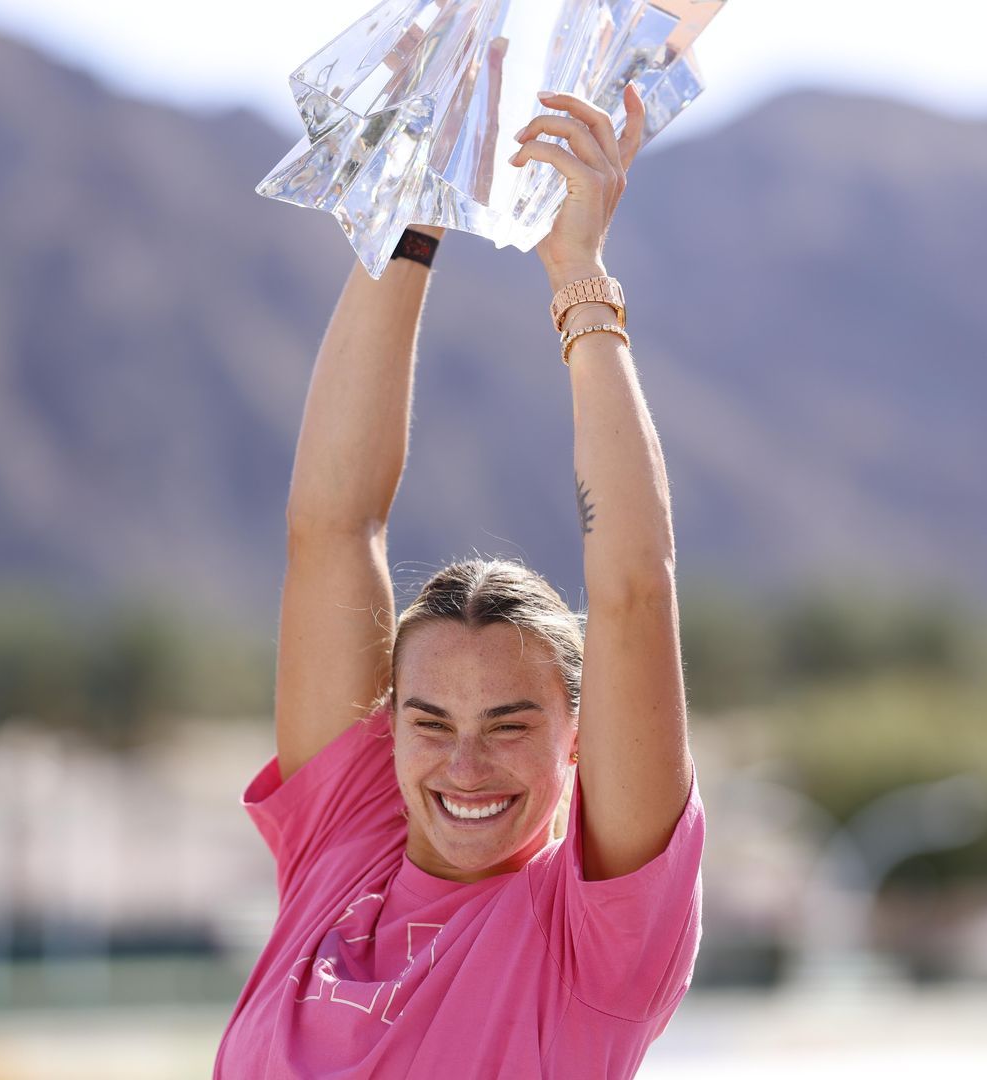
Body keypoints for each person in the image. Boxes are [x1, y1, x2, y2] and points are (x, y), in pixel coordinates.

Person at [216, 83, 701, 1078]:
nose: (464, 768)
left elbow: (634, 591)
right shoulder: (346, 849)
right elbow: (332, 530)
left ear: (580, 740)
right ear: (389, 726)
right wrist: (411, 216)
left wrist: (579, 273)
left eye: (511, 726)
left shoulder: (597, 943)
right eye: (430, 722)